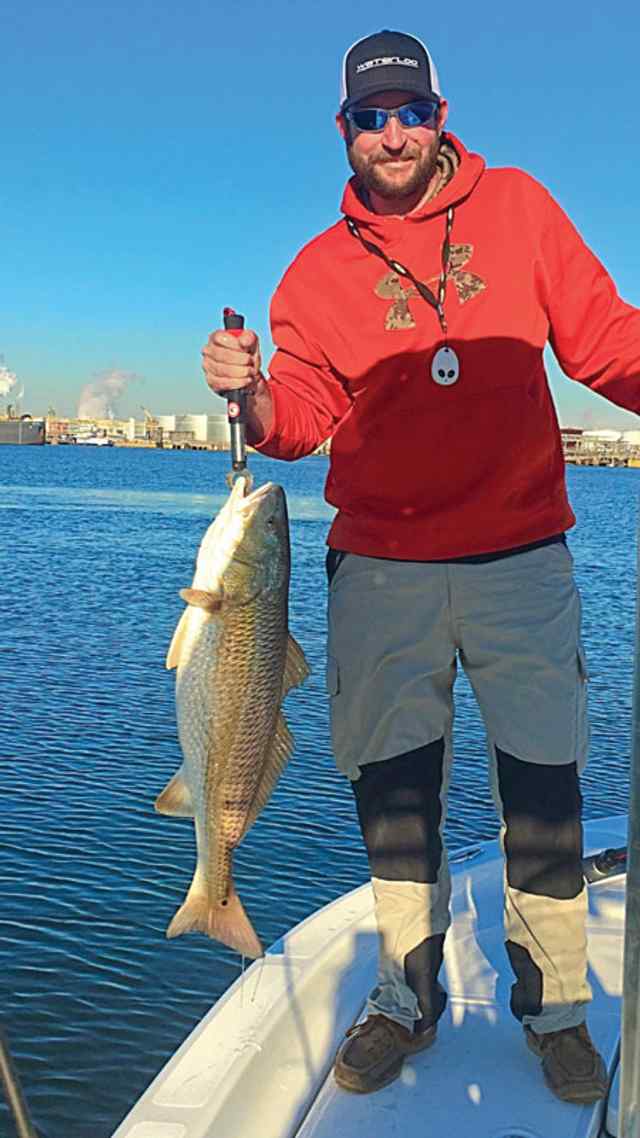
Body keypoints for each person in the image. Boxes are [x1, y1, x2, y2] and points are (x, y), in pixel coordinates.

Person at [201, 29, 640, 1104]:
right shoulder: (315, 271)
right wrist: (250, 396)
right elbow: (300, 416)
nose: (392, 133)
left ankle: (557, 1011)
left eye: (410, 111)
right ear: (343, 130)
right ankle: (405, 1001)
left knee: (544, 790)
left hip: (520, 559)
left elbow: (605, 341)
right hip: (382, 569)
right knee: (394, 798)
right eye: (370, 117)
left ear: (440, 116)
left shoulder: (520, 209)